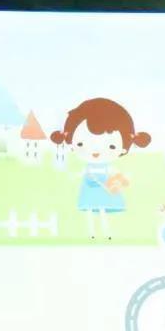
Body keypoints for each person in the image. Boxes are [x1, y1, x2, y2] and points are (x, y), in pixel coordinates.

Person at [51, 98, 151, 240]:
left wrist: (122, 177)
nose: (95, 152)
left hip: (104, 189)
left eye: (111, 146)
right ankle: (91, 233)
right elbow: (82, 173)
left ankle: (107, 232)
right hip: (89, 189)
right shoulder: (89, 166)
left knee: (103, 210)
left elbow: (115, 173)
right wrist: (74, 175)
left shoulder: (106, 166)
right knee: (90, 211)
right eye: (80, 144)